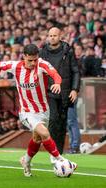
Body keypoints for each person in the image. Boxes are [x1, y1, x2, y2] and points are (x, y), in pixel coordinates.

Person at [0, 44, 77, 177]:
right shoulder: (15, 66)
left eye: (35, 59)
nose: (33, 63)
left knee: (37, 138)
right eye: (30, 60)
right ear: (24, 56)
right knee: (45, 133)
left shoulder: (41, 65)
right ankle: (61, 160)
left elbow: (55, 74)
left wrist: (57, 83)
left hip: (43, 110)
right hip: (27, 111)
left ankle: (26, 161)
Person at [39, 27, 80, 157]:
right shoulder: (43, 52)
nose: (52, 38)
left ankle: (58, 154)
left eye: (55, 35)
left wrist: (74, 90)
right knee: (53, 119)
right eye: (50, 35)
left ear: (60, 36)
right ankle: (53, 150)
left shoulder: (68, 51)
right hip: (49, 93)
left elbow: (76, 71)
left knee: (63, 124)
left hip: (66, 93)